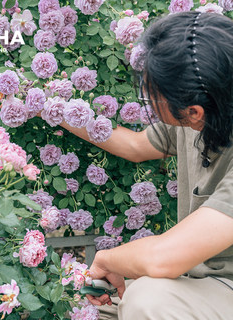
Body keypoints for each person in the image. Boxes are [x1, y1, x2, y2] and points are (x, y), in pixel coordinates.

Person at [58, 11, 233, 320]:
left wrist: (107, 259)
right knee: (88, 306)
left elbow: (167, 258)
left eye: (154, 95)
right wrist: (54, 109)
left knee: (147, 301)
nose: (148, 100)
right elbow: (135, 146)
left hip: (223, 286)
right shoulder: (208, 112)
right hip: (198, 281)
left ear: (193, 111)